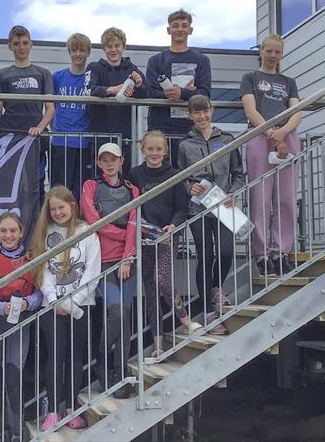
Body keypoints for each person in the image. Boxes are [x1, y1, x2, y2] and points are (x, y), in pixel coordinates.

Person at [32, 186, 101, 431]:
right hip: (52, 307)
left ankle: (71, 408)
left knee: (75, 357)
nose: (57, 213)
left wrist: (74, 303)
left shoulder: (87, 232)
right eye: (53, 209)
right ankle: (52, 412)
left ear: (72, 205)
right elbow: (43, 273)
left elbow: (93, 271)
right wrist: (55, 300)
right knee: (55, 357)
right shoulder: (44, 233)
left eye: (61, 207)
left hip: (82, 306)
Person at [127, 131, 201, 357]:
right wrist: (137, 223)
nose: (154, 153)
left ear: (166, 151)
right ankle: (158, 344)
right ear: (142, 149)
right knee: (150, 289)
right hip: (145, 235)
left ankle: (186, 320)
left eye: (159, 149)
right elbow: (131, 204)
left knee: (162, 279)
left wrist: (173, 225)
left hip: (169, 234)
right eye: (150, 149)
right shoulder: (135, 174)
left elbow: (182, 207)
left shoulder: (174, 174)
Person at [178, 95, 245, 335]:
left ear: (212, 110)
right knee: (205, 256)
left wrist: (234, 192)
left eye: (205, 111)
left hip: (223, 206)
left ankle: (216, 287)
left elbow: (239, 173)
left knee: (226, 252)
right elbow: (181, 178)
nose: (202, 116)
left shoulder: (227, 139)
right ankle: (208, 313)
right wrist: (189, 187)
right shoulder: (185, 145)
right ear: (190, 115)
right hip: (198, 208)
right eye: (196, 113)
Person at [0, 212, 43, 442]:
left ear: (21, 232)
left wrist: (27, 303)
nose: (8, 235)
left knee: (14, 377)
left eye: (12, 230)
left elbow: (39, 292)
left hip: (20, 324)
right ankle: (0, 431)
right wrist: (0, 307)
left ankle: (17, 431)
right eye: (3, 231)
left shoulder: (31, 258)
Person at [80, 143, 139, 399]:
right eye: (104, 160)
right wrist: (120, 233)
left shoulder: (132, 189)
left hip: (125, 262)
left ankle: (120, 373)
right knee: (115, 311)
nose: (109, 163)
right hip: (100, 261)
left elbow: (135, 225)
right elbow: (93, 221)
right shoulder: (90, 186)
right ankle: (102, 364)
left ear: (122, 160)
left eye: (113, 159)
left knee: (124, 318)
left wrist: (127, 258)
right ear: (99, 162)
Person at [241, 34, 301, 276]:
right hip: (260, 137)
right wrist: (271, 133)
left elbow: (297, 111)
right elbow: (250, 109)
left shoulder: (288, 81)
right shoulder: (250, 78)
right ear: (261, 51)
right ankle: (263, 254)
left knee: (285, 199)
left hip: (287, 138)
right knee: (261, 199)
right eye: (269, 51)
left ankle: (281, 252)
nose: (273, 55)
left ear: (281, 54)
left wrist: (284, 132)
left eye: (277, 52)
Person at [0, 25, 55, 201]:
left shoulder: (43, 74)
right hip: (10, 135)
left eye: (25, 43)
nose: (21, 47)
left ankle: (36, 223)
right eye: (17, 43)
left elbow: (50, 109)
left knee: (36, 182)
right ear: (10, 46)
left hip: (36, 138)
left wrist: (40, 128)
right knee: (8, 181)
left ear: (31, 44)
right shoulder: (2, 74)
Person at [145, 9, 212, 164]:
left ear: (190, 30)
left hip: (191, 128)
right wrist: (181, 93)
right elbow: (150, 92)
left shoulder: (202, 60)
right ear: (169, 30)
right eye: (175, 26)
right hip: (160, 128)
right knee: (162, 174)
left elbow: (205, 93)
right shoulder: (155, 60)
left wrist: (181, 93)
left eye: (184, 25)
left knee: (190, 175)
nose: (180, 29)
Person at [85, 27, 147, 176]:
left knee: (124, 177)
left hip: (126, 136)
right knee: (99, 178)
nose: (113, 50)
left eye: (117, 46)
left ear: (123, 47)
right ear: (104, 49)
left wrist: (138, 84)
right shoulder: (94, 67)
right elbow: (88, 90)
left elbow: (147, 93)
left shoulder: (132, 69)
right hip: (99, 136)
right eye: (109, 46)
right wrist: (114, 90)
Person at [50, 33, 92, 200]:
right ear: (69, 52)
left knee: (81, 191)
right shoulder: (57, 77)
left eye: (82, 50)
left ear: (88, 52)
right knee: (59, 191)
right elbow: (49, 106)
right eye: (74, 50)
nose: (78, 54)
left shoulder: (91, 78)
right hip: (61, 141)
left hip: (84, 142)